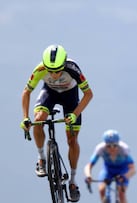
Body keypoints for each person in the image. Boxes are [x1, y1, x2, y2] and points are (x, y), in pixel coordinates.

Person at [20, 44, 93, 202]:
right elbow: (26, 92)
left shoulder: (73, 69)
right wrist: (25, 117)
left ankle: (72, 182)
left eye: (58, 70)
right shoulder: (40, 69)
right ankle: (41, 158)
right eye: (50, 70)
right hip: (50, 93)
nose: (53, 74)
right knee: (38, 120)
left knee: (72, 139)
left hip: (70, 97)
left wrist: (74, 115)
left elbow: (88, 94)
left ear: (64, 64)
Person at [84, 129, 136, 203]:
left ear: (118, 144)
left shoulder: (124, 149)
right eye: (108, 146)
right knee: (102, 190)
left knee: (121, 194)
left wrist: (125, 176)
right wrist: (88, 176)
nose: (112, 148)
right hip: (108, 170)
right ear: (105, 144)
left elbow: (133, 169)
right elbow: (89, 165)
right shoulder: (100, 148)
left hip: (122, 171)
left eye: (115, 145)